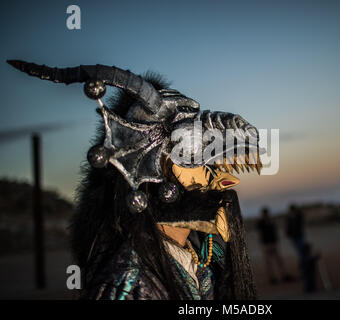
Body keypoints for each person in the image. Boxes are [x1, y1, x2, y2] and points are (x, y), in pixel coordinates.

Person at [9, 60, 262, 299]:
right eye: (194, 157)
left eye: (213, 166)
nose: (217, 178)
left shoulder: (194, 260)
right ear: (152, 173)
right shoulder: (127, 284)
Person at [256, 208, 293, 284]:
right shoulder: (261, 222)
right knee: (269, 262)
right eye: (266, 213)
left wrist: (275, 241)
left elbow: (273, 232)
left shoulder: (270, 221)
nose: (267, 215)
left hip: (272, 243)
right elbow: (262, 233)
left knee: (278, 260)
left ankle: (283, 275)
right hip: (266, 244)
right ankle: (272, 277)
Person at [285, 204, 306, 268]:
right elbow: (288, 227)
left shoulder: (298, 216)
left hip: (299, 236)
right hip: (295, 237)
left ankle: (304, 262)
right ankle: (303, 262)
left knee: (302, 250)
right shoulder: (290, 218)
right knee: (299, 250)